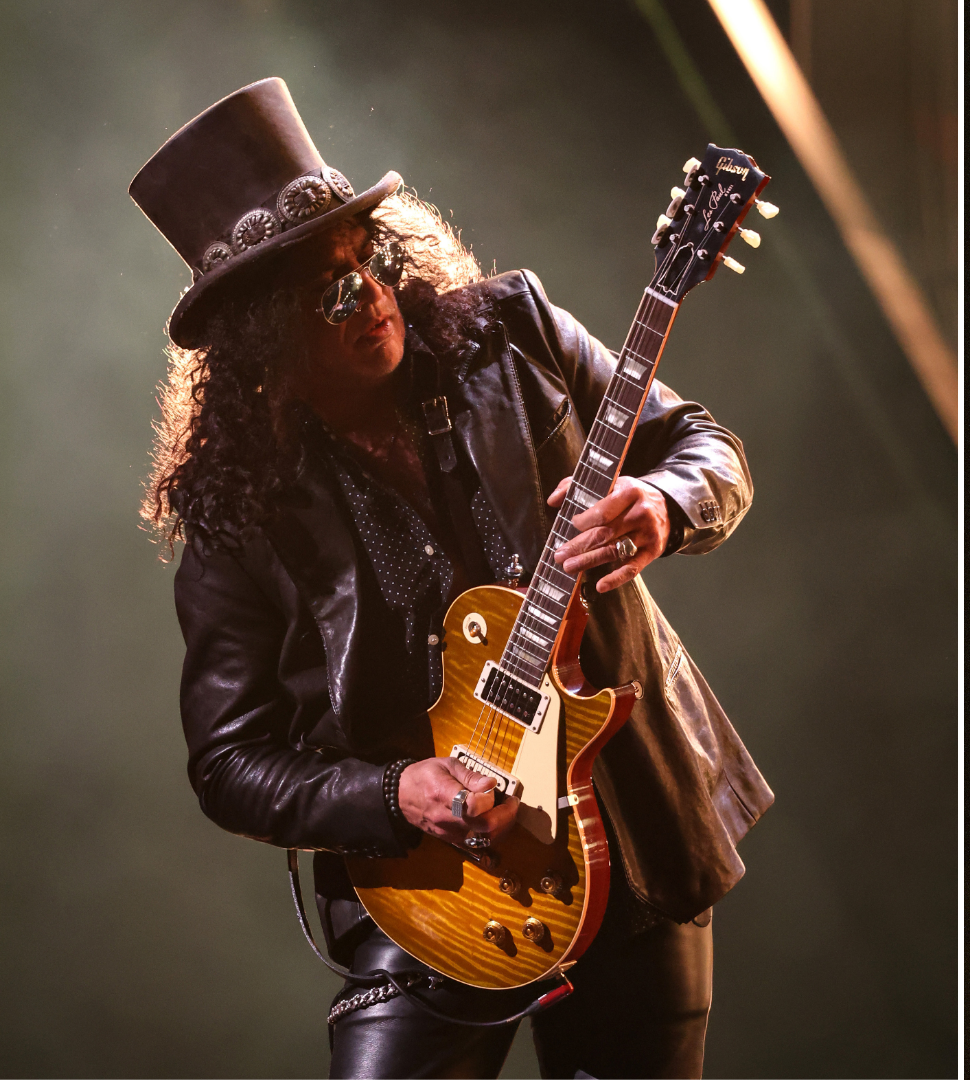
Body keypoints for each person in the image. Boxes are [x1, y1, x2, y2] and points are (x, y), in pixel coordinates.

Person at [131, 78, 771, 1078]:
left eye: (372, 263)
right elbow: (230, 761)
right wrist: (396, 794)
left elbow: (700, 444)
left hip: (632, 833)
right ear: (263, 342)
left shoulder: (508, 336)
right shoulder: (239, 515)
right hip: (432, 889)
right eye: (331, 292)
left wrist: (666, 505)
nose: (374, 296)